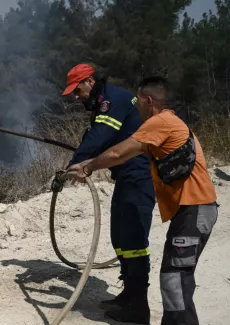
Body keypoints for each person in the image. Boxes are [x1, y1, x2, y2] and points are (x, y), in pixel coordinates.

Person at [67, 76, 218, 325]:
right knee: (174, 278)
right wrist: (87, 164)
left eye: (139, 102)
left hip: (196, 209)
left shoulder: (158, 123)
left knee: (175, 280)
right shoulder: (166, 123)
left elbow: (117, 152)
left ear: (149, 101)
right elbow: (119, 156)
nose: (135, 106)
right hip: (192, 211)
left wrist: (87, 165)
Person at [61, 64, 156, 323]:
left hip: (139, 176)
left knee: (134, 243)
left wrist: (77, 163)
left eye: (77, 90)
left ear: (89, 81)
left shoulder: (112, 100)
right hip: (126, 178)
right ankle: (129, 295)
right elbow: (95, 135)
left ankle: (138, 307)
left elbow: (102, 135)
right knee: (120, 239)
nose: (76, 96)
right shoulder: (107, 99)